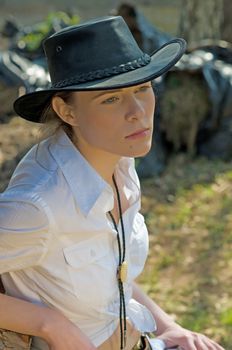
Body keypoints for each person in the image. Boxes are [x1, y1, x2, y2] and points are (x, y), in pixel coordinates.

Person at [0, 16, 224, 350]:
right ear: (67, 111)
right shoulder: (39, 204)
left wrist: (168, 327)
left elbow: (113, 276)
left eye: (142, 89)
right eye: (111, 99)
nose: (137, 111)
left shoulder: (117, 160)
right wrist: (50, 325)